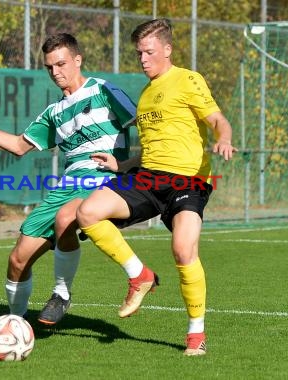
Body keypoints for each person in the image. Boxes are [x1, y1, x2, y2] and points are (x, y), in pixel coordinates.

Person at [76, 18, 237, 356]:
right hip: (148, 177)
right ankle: (140, 276)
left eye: (149, 52)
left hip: (188, 180)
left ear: (167, 50)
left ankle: (196, 334)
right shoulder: (147, 95)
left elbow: (217, 119)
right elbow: (150, 151)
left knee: (182, 250)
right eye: (139, 54)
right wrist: (121, 166)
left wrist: (224, 138)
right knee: (87, 213)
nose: (143, 59)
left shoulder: (188, 79)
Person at [0, 33, 136, 325]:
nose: (56, 72)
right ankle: (15, 324)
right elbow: (17, 146)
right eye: (49, 67)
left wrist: (128, 164)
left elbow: (147, 126)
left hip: (102, 180)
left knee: (66, 217)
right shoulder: (54, 113)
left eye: (61, 64)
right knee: (17, 260)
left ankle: (61, 294)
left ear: (78, 60)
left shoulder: (104, 90)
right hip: (67, 185)